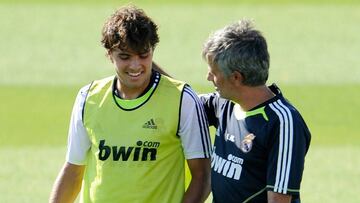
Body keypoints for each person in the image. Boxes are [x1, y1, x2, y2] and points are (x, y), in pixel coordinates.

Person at [49, 5, 211, 203]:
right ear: (109, 54)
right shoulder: (88, 98)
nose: (135, 66)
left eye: (143, 55)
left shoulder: (182, 99)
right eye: (125, 57)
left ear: (153, 50)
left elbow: (203, 176)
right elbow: (73, 170)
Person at [199, 19, 311, 203]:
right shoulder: (224, 104)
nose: (208, 77)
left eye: (213, 72)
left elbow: (278, 200)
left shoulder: (283, 123)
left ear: (236, 77)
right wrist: (145, 67)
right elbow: (181, 99)